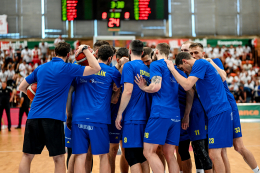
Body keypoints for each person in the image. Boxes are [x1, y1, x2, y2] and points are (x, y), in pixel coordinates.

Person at [18, 42, 101, 173]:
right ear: (68, 54)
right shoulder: (68, 68)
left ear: (54, 53)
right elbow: (96, 68)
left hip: (33, 116)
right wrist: (85, 50)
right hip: (53, 119)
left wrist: (34, 98)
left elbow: (22, 87)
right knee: (59, 158)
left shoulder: (41, 68)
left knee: (27, 156)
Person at [189, 42, 260, 173]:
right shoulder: (195, 69)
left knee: (238, 147)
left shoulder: (211, 62)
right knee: (221, 151)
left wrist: (210, 62)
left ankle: (257, 170)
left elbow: (223, 76)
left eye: (195, 53)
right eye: (190, 53)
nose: (193, 56)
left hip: (226, 106)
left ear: (203, 53)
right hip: (218, 109)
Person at [166, 52, 233, 173]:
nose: (185, 72)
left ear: (185, 61)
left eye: (182, 69)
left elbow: (186, 85)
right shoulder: (199, 71)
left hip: (219, 111)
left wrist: (172, 69)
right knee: (215, 153)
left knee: (215, 153)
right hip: (214, 113)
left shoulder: (200, 63)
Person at [67, 45, 120, 173]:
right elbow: (115, 99)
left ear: (96, 54)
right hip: (99, 119)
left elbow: (70, 91)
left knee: (80, 155)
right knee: (103, 156)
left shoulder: (81, 70)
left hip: (78, 118)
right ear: (110, 58)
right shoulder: (113, 72)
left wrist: (69, 114)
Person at [134, 43, 181, 173]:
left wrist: (143, 87)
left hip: (161, 112)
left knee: (148, 152)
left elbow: (155, 86)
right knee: (170, 155)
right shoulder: (174, 68)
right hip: (175, 114)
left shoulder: (157, 64)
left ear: (156, 52)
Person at [115, 40, 150, 173]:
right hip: (144, 116)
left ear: (129, 51)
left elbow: (128, 91)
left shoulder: (129, 66)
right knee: (142, 156)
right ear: (142, 53)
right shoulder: (147, 68)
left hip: (132, 117)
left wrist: (119, 113)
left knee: (130, 156)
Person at [180, 41, 213, 173]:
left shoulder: (202, 66)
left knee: (201, 148)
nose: (186, 53)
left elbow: (191, 89)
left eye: (188, 51)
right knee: (182, 149)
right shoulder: (180, 67)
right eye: (182, 50)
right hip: (183, 113)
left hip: (199, 113)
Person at [108, 47, 129, 173]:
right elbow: (113, 95)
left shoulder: (131, 72)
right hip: (113, 114)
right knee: (113, 149)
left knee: (126, 149)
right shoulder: (111, 72)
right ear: (117, 59)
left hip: (128, 114)